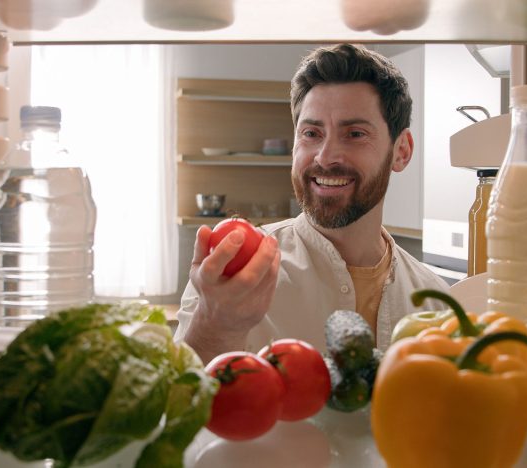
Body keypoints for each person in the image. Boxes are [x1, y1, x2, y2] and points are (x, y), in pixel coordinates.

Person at [174, 43, 449, 364]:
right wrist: (214, 324)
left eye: (355, 134)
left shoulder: (435, 302)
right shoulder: (232, 280)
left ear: (401, 151)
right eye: (311, 133)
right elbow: (179, 407)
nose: (326, 156)